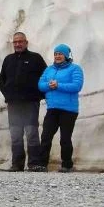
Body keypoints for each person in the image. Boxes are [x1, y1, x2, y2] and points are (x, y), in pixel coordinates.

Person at [0, 32, 47, 172]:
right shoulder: (8, 60)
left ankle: (34, 163)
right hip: (14, 104)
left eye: (20, 41)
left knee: (31, 132)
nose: (18, 44)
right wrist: (7, 93)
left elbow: (45, 76)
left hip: (30, 103)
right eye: (15, 42)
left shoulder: (35, 58)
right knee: (15, 135)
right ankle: (17, 164)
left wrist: (38, 95)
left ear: (26, 42)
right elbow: (2, 78)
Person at [33, 44, 84, 172]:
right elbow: (40, 85)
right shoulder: (49, 69)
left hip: (69, 109)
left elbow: (76, 86)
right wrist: (50, 86)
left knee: (65, 138)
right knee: (46, 136)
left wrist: (58, 85)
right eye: (56, 54)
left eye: (60, 54)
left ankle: (67, 165)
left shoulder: (75, 69)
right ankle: (42, 164)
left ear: (66, 55)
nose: (57, 56)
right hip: (52, 108)